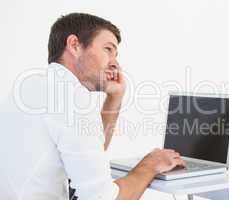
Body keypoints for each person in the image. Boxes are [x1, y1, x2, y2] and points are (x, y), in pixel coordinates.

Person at [0, 13, 185, 200]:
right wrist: (150, 165)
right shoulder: (72, 97)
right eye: (108, 49)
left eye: (116, 54)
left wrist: (115, 96)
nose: (115, 63)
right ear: (74, 45)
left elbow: (85, 157)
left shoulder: (33, 85)